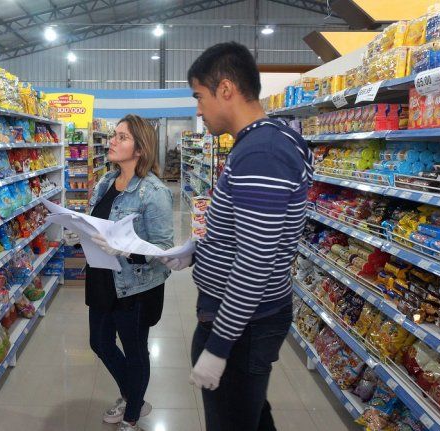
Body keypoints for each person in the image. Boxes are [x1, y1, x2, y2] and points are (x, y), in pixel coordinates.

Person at [161, 42, 313, 431]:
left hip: (242, 325)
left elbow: (256, 261)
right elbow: (247, 234)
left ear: (226, 89)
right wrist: (199, 250)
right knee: (250, 417)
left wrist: (219, 346)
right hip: (244, 318)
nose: (198, 110)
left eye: (199, 96)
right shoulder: (263, 142)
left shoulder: (262, 153)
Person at [85, 114, 174, 431]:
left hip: (135, 286)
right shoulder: (105, 182)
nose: (112, 141)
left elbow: (164, 248)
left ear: (140, 148)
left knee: (135, 351)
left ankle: (132, 414)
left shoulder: (154, 191)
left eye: (121, 137)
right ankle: (133, 394)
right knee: (100, 342)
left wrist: (126, 250)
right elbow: (98, 223)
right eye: (114, 135)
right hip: (102, 276)